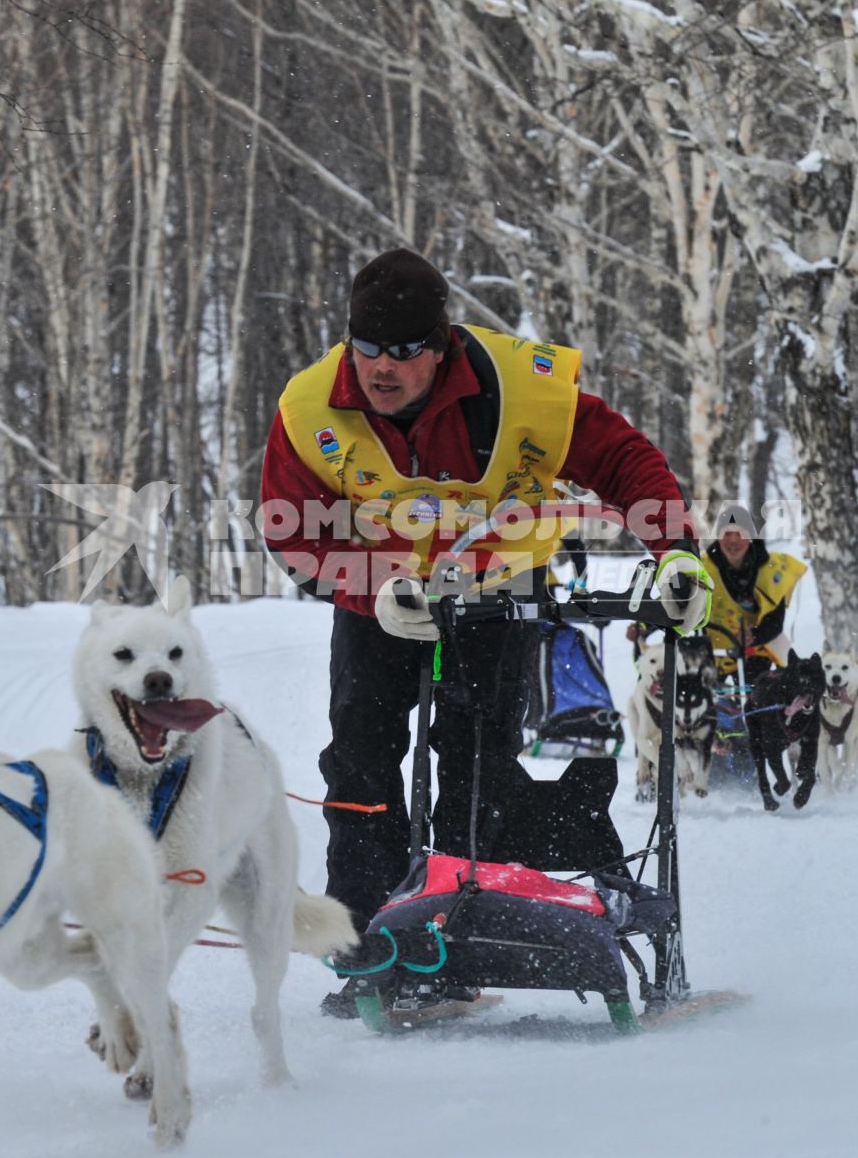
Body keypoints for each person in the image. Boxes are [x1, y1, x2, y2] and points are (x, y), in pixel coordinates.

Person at [259, 247, 709, 1016]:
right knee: (361, 762)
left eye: (404, 352)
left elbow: (624, 462)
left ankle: (459, 934)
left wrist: (676, 554)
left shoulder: (520, 393)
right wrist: (373, 586)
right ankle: (371, 952)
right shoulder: (310, 408)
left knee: (473, 763)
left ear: (443, 346)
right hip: (381, 600)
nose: (381, 368)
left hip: (496, 593)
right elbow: (288, 529)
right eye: (366, 348)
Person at [702, 501, 806, 685]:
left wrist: (754, 636)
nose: (733, 541)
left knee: (768, 688)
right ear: (718, 537)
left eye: (739, 534)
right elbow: (679, 604)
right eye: (727, 534)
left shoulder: (771, 569)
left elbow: (775, 622)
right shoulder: (702, 568)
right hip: (712, 650)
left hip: (757, 649)